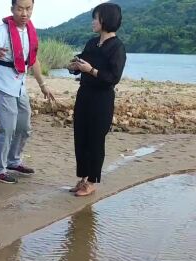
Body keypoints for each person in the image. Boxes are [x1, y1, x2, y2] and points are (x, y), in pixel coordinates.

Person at [0, 0, 55, 184]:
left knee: (24, 126)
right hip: (2, 85)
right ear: (12, 9)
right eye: (20, 8)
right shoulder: (2, 30)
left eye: (28, 8)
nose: (24, 13)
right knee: (7, 128)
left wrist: (43, 85)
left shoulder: (30, 31)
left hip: (20, 86)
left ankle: (13, 161)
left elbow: (33, 61)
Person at [67, 3, 126, 197]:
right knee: (81, 137)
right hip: (84, 95)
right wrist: (74, 65)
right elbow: (81, 61)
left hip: (102, 99)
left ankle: (92, 182)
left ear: (106, 20)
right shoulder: (92, 43)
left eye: (96, 18)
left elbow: (113, 77)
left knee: (95, 141)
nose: (93, 21)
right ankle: (82, 178)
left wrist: (91, 70)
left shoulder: (117, 47)